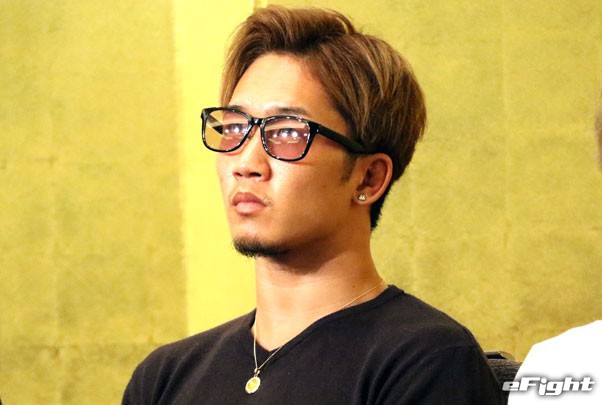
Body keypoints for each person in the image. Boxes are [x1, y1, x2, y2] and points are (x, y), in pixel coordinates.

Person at [122, 6, 502, 404]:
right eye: (234, 127)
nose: (246, 163)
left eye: (287, 132)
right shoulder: (165, 377)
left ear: (368, 178)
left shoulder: (428, 361)